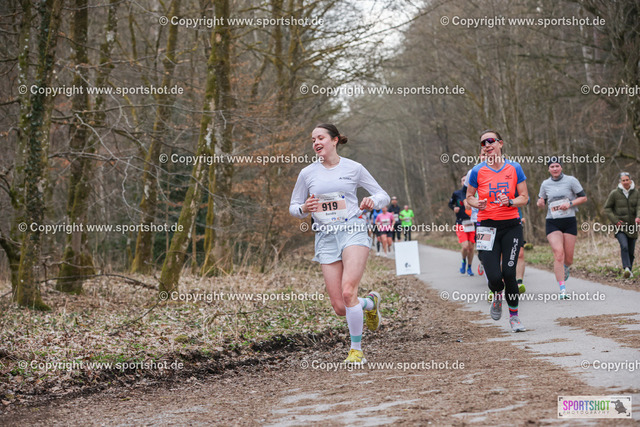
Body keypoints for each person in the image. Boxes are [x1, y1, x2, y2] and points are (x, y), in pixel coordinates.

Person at [290, 123, 389, 364]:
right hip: (325, 236)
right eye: (313, 139)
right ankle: (370, 303)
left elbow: (382, 195)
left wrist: (372, 201)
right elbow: (294, 207)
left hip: (353, 229)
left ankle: (356, 351)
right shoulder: (307, 173)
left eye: (320, 137)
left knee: (348, 292)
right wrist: (304, 208)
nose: (316, 142)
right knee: (340, 307)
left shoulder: (354, 168)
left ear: (334, 140)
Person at [466, 130, 529, 332]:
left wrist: (510, 201)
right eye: (483, 143)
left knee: (509, 273)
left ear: (500, 144)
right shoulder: (477, 171)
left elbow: (524, 197)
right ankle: (497, 295)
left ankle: (514, 317)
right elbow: (469, 197)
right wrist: (477, 203)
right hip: (486, 227)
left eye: (491, 141)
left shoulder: (514, 167)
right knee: (493, 277)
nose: (487, 145)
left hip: (511, 226)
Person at [536, 157, 587, 298]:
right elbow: (541, 201)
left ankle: (565, 267)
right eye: (552, 166)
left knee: (568, 259)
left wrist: (570, 204)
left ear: (561, 167)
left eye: (557, 166)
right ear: (548, 169)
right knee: (558, 254)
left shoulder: (571, 180)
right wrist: (540, 203)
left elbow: (583, 198)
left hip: (569, 221)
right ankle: (562, 289)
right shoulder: (545, 184)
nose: (555, 169)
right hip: (552, 222)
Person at [603, 172, 640, 278]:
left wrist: (638, 217)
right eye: (623, 180)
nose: (625, 182)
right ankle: (626, 268)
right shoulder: (614, 193)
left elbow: (639, 206)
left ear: (630, 180)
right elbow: (607, 208)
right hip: (620, 226)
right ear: (620, 181)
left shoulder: (636, 192)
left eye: (627, 180)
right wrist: (615, 221)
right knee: (624, 246)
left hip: (633, 226)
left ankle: (629, 272)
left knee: (631, 251)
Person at [449, 175, 474, 276]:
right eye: (463, 180)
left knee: (471, 248)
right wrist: (453, 208)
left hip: (472, 223)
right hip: (461, 222)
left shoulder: (474, 193)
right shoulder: (457, 193)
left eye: (466, 180)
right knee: (465, 247)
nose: (464, 181)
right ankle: (463, 261)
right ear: (461, 183)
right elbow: (450, 204)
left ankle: (469, 267)